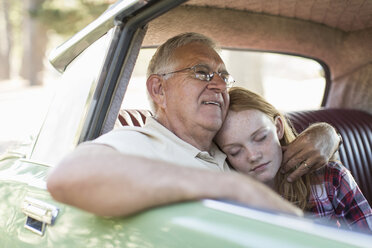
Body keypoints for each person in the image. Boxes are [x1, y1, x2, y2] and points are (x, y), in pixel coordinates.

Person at [47, 32, 341, 217]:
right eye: (201, 72)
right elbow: (67, 176)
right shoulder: (140, 142)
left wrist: (327, 133)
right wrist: (231, 188)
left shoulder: (225, 144)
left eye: (223, 77)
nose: (218, 85)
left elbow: (271, 135)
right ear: (159, 90)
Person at [214, 87, 372, 233]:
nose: (253, 156)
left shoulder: (331, 178)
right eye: (235, 151)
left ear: (278, 128)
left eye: (261, 138)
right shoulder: (229, 201)